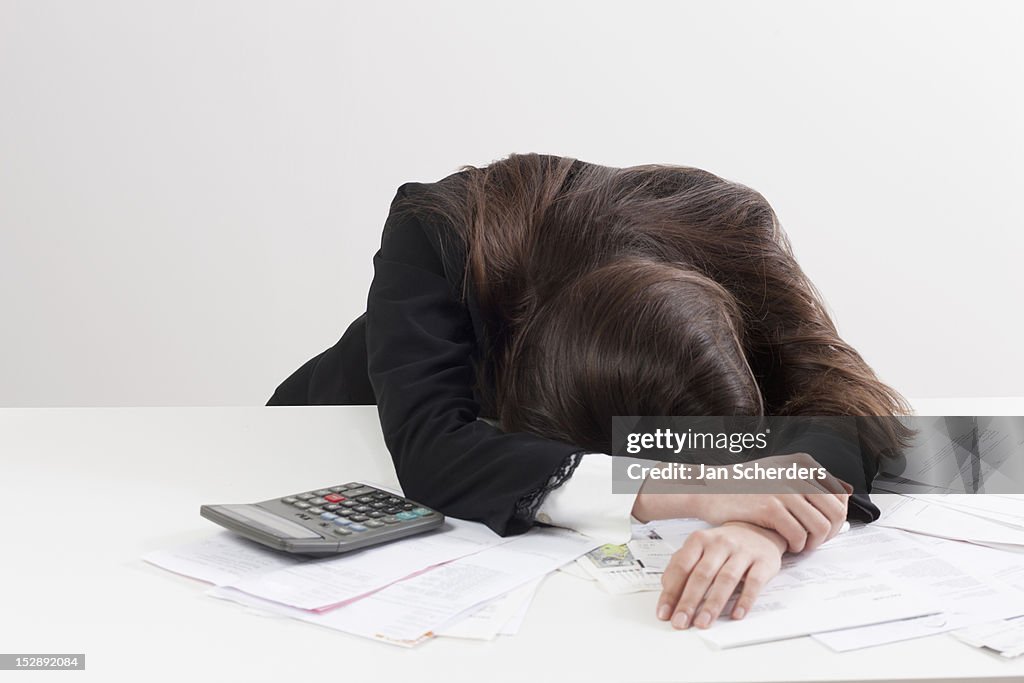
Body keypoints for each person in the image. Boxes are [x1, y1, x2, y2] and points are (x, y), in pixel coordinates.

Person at [268, 153, 910, 630]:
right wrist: (694, 488)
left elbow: (848, 408)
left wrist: (762, 526)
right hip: (311, 450)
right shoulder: (443, 232)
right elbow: (432, 450)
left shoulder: (735, 233)